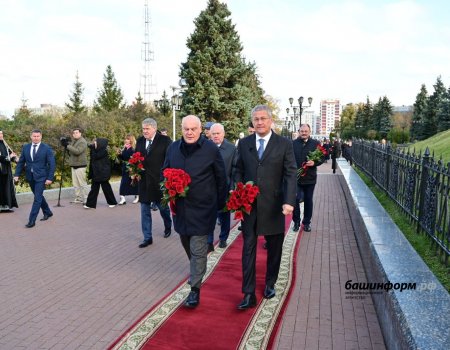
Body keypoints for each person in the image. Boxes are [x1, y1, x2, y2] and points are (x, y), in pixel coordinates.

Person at [234, 105, 297, 309]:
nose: (259, 122)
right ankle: (248, 293)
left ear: (271, 121)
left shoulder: (284, 144)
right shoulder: (244, 144)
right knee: (248, 248)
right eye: (256, 119)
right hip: (249, 206)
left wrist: (289, 201)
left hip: (274, 205)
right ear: (252, 122)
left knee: (274, 248)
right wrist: (238, 191)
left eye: (263, 118)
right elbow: (238, 170)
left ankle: (270, 282)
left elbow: (290, 173)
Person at [163, 115, 227, 308]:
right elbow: (164, 171)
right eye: (186, 129)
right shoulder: (173, 148)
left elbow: (221, 178)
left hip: (203, 208)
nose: (189, 132)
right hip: (180, 209)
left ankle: (195, 290)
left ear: (200, 130)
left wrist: (219, 204)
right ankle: (197, 266)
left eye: (193, 129)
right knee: (186, 241)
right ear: (181, 129)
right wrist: (168, 187)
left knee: (198, 247)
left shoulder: (210, 149)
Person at [135, 118, 173, 248]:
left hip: (159, 182)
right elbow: (136, 158)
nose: (144, 131)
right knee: (144, 209)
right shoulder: (140, 141)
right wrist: (135, 170)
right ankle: (147, 237)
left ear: (154, 129)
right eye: (143, 129)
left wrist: (166, 178)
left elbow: (170, 160)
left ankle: (168, 225)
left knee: (163, 208)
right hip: (144, 182)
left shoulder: (165, 141)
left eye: (147, 129)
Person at [13, 129, 56, 228]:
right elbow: (21, 162)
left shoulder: (46, 148)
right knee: (39, 196)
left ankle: (31, 220)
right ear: (31, 137)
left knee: (37, 198)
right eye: (34, 136)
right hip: (30, 176)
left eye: (38, 136)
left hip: (41, 176)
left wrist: (50, 178)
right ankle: (48, 212)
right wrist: (16, 175)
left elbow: (52, 164)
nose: (36, 138)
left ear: (41, 137)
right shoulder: (26, 147)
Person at [208, 123, 237, 251]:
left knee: (224, 215)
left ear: (223, 134)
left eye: (218, 133)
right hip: (208, 188)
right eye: (213, 134)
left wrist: (232, 186)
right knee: (209, 215)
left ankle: (223, 238)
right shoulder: (205, 147)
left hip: (224, 188)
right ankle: (208, 241)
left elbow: (235, 170)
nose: (215, 136)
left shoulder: (231, 149)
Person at [292, 124, 324, 232]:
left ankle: (306, 223)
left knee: (308, 200)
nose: (304, 133)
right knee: (295, 199)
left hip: (310, 178)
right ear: (299, 131)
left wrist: (314, 162)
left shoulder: (316, 144)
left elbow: (322, 157)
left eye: (306, 131)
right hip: (296, 178)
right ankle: (296, 222)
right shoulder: (293, 144)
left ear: (309, 132)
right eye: (302, 131)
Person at [84, 138, 118, 209]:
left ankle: (112, 202)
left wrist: (92, 149)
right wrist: (92, 149)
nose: (94, 144)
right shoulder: (95, 151)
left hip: (102, 173)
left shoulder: (103, 151)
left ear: (100, 144)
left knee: (106, 189)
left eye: (95, 142)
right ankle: (90, 204)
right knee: (94, 189)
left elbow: (96, 156)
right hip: (96, 173)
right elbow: (93, 158)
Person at [64, 128, 88, 204]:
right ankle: (79, 198)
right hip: (74, 165)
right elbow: (71, 151)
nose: (75, 134)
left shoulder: (82, 141)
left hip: (80, 165)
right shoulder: (74, 141)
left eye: (76, 133)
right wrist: (66, 145)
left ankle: (86, 198)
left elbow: (77, 151)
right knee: (75, 184)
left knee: (82, 183)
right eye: (74, 133)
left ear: (80, 133)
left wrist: (67, 145)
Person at [117, 134, 139, 205]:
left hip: (132, 167)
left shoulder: (133, 148)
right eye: (126, 139)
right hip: (125, 167)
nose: (126, 140)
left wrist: (134, 168)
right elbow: (123, 158)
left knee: (133, 182)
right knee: (124, 182)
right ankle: (122, 197)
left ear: (131, 140)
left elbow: (135, 158)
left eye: (128, 139)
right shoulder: (124, 148)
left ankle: (137, 196)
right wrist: (119, 154)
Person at [0, 130, 18, 211]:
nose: (1, 135)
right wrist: (9, 157)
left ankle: (6, 206)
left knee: (7, 188)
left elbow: (11, 154)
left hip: (6, 170)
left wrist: (16, 159)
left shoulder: (5, 143)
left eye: (1, 133)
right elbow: (2, 158)